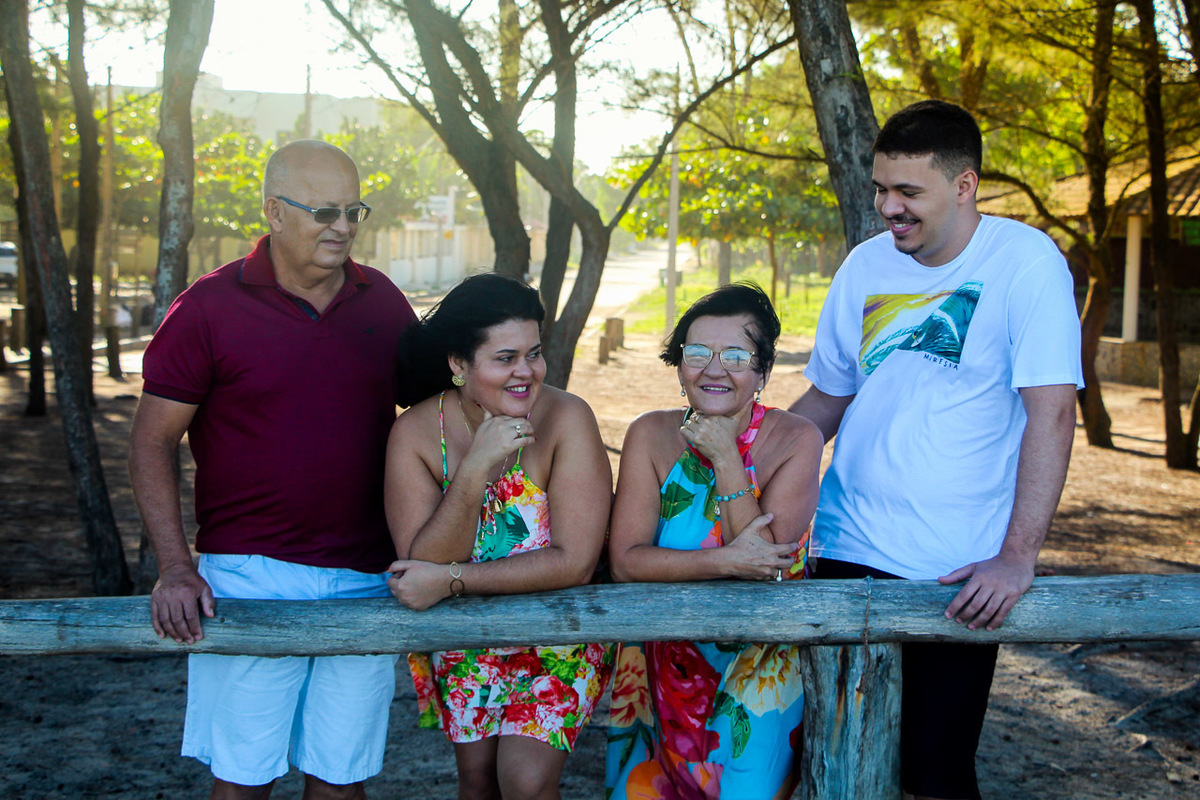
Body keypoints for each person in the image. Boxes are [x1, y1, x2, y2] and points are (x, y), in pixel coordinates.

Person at [790, 100, 1083, 800]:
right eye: (881, 189)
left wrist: (1017, 557)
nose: (890, 207)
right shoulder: (865, 266)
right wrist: (741, 466)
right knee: (833, 763)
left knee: (933, 776)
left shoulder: (1025, 263)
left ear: (964, 185)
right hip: (841, 548)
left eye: (908, 192)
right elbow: (825, 402)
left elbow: (1052, 414)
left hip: (952, 576)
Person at [128, 140, 416, 800]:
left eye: (353, 210)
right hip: (248, 580)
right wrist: (175, 566)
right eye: (322, 211)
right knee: (244, 782)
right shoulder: (208, 306)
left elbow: (438, 413)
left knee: (341, 783)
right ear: (274, 213)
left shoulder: (382, 302)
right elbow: (151, 443)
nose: (341, 226)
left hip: (366, 578)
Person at [382, 272, 614, 800]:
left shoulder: (567, 418)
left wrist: (454, 580)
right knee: (478, 780)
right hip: (467, 639)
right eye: (505, 358)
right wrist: (474, 472)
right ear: (459, 364)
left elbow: (574, 562)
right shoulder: (416, 434)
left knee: (525, 782)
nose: (527, 372)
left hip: (560, 632)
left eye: (534, 353)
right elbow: (422, 559)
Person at [604, 282, 823, 799]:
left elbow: (767, 566)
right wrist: (727, 559)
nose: (714, 368)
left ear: (763, 372)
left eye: (736, 355)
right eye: (697, 353)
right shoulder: (650, 435)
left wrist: (727, 457)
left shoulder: (796, 439)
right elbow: (628, 562)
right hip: (664, 661)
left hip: (761, 668)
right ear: (679, 365)